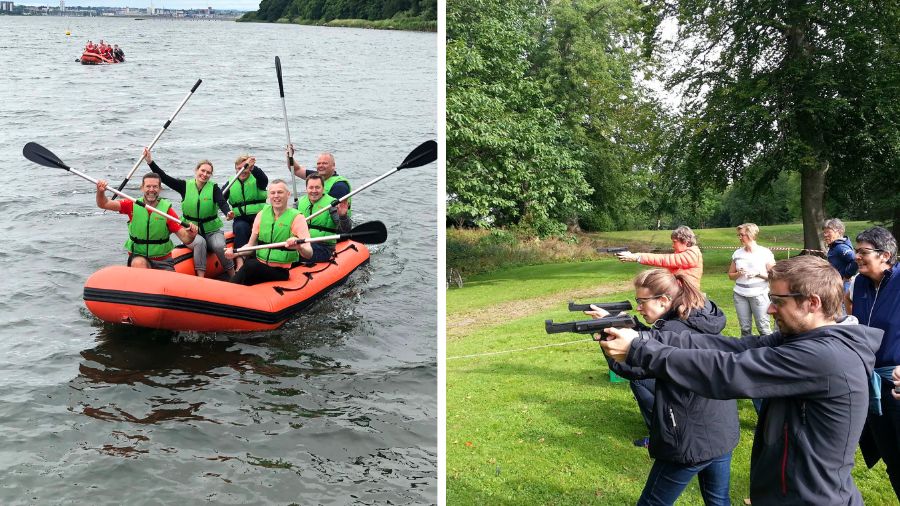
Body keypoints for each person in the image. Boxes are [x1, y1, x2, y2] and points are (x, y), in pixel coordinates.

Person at [600, 255, 882, 505]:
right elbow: (731, 347)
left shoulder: (822, 356)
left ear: (812, 303)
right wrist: (646, 336)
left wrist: (640, 349)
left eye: (778, 301)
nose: (770, 309)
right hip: (791, 492)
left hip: (809, 498)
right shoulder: (803, 339)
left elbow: (726, 370)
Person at [587, 269, 736, 505]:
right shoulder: (695, 316)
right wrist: (619, 323)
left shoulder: (673, 329)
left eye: (641, 301)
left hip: (687, 437)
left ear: (664, 300)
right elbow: (658, 339)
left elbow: (633, 368)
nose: (638, 307)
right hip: (720, 429)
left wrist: (608, 339)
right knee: (718, 501)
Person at [849, 226, 900, 500]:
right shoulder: (860, 283)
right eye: (857, 250)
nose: (856, 256)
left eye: (863, 251)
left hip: (897, 385)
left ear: (885, 255)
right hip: (870, 383)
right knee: (892, 459)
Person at [144, 147, 235, 278]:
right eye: (202, 170)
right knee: (200, 243)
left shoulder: (214, 188)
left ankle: (233, 275)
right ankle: (200, 279)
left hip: (212, 230)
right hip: (190, 230)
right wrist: (150, 162)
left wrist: (228, 213)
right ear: (196, 171)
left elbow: (222, 202)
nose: (205, 174)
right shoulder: (184, 186)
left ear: (211, 175)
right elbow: (164, 178)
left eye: (208, 172)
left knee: (220, 245)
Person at [95, 173, 198, 271]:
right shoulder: (131, 204)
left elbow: (185, 238)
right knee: (139, 263)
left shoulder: (167, 211)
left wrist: (191, 235)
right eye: (148, 186)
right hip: (138, 257)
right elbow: (104, 204)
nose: (151, 190)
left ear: (160, 189)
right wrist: (100, 192)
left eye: (155, 187)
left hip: (162, 260)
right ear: (142, 188)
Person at [226, 180, 314, 286]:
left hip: (279, 271)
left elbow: (309, 253)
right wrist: (236, 252)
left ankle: (230, 289)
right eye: (273, 193)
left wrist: (299, 246)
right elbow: (250, 246)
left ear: (288, 194)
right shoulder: (261, 215)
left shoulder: (297, 218)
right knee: (251, 265)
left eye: (280, 192)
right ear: (269, 196)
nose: (276, 196)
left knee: (251, 265)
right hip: (259, 264)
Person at [728, 223, 776, 337]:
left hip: (759, 295)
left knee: (763, 329)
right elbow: (730, 275)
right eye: (738, 235)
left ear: (751, 235)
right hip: (740, 295)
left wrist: (758, 274)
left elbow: (774, 275)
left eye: (742, 235)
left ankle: (769, 353)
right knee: (745, 329)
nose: (740, 237)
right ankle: (747, 352)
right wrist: (738, 273)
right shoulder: (737, 253)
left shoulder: (765, 253)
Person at [616, 226, 703, 287]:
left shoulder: (692, 254)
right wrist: (634, 255)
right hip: (679, 294)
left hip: (686, 298)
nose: (673, 246)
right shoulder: (687, 254)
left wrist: (637, 257)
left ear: (685, 241)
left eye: (674, 242)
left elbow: (664, 260)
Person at [222, 155, 268, 269]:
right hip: (240, 218)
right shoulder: (231, 182)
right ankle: (240, 261)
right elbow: (220, 198)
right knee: (240, 228)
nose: (242, 171)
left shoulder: (257, 179)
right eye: (239, 168)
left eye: (244, 168)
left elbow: (264, 180)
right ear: (235, 169)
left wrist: (252, 167)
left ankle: (263, 258)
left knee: (260, 230)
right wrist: (227, 212)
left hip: (259, 216)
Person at [297, 173, 351, 263]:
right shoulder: (299, 203)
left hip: (324, 248)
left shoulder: (332, 205)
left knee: (293, 253)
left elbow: (345, 230)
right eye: (311, 187)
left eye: (317, 187)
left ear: (323, 188)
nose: (314, 190)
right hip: (304, 243)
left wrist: (343, 216)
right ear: (306, 189)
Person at [288, 145, 352, 209]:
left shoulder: (340, 186)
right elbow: (295, 170)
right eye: (318, 163)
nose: (321, 166)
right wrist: (289, 156)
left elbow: (336, 211)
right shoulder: (315, 177)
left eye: (324, 163)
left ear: (333, 165)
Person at [823, 218, 857, 294]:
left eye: (828, 232)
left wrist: (847, 276)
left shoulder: (840, 247)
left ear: (838, 231)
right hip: (836, 284)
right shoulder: (835, 245)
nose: (825, 235)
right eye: (824, 232)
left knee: (841, 305)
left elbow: (855, 260)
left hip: (843, 286)